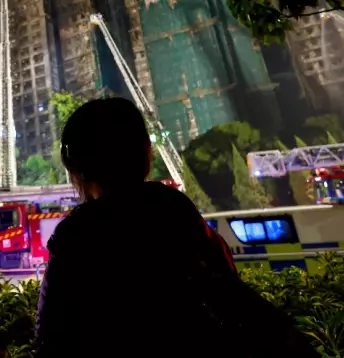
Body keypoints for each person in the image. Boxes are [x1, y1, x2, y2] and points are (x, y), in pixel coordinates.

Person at [34, 97, 318, 358]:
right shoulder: (171, 208)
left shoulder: (77, 234)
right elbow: (224, 281)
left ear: (76, 167)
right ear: (146, 152)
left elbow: (51, 336)